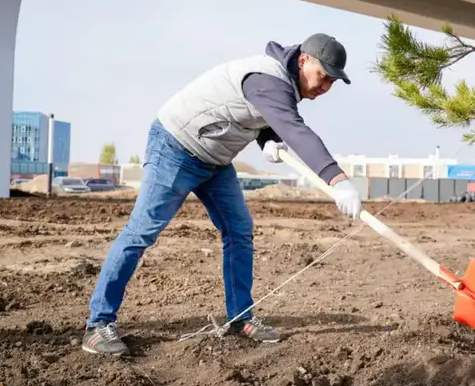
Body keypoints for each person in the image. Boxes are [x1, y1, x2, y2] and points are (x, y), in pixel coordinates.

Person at [81, 34, 363, 356]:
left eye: (331, 82)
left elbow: (261, 115)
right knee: (141, 232)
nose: (325, 87)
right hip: (175, 147)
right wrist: (336, 179)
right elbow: (295, 129)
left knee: (239, 230)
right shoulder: (267, 78)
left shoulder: (283, 84)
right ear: (303, 61)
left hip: (214, 160)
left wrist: (267, 139)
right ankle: (98, 324)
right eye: (323, 77)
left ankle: (240, 318)